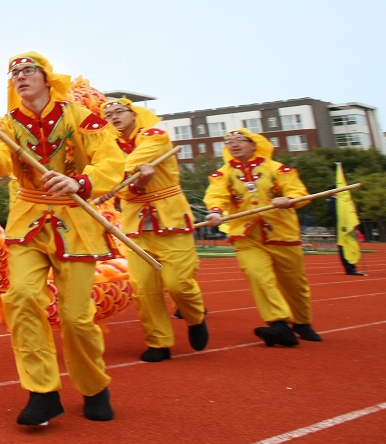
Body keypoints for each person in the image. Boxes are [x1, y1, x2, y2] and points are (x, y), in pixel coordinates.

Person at [0, 52, 125, 426]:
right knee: (20, 298)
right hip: (29, 222)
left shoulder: (78, 117)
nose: (20, 77)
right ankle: (42, 391)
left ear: (45, 77)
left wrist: (81, 182)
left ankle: (93, 387)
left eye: (27, 71)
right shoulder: (7, 123)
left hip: (75, 222)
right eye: (14, 73)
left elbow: (110, 159)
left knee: (75, 317)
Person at [101, 98, 208, 362]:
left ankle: (195, 317)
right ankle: (158, 341)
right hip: (135, 224)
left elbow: (115, 174)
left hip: (170, 219)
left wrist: (109, 177)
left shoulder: (155, 136)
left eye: (119, 111)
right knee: (144, 287)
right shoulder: (107, 147)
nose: (113, 116)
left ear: (134, 113)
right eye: (108, 114)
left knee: (178, 283)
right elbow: (118, 185)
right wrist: (133, 184)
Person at [203, 129, 321, 347]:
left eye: (239, 140)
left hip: (282, 233)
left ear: (254, 144)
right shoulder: (222, 174)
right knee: (258, 276)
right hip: (246, 235)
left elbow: (300, 192)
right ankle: (279, 323)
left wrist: (289, 199)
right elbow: (215, 195)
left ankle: (302, 322)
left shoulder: (278, 169)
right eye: (229, 142)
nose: (234, 144)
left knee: (294, 283)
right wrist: (216, 211)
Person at [328, 197, 366, 276]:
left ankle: (351, 266)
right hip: (341, 228)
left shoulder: (342, 201)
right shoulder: (332, 201)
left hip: (347, 227)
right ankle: (349, 268)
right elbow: (336, 215)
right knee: (343, 247)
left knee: (350, 246)